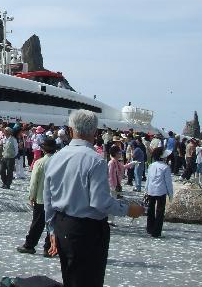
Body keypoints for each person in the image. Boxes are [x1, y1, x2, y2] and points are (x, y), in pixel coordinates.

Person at [44, 110, 144, 287]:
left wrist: (52, 229)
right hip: (87, 230)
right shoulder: (95, 161)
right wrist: (129, 209)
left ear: (70, 129)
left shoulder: (56, 158)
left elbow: (48, 198)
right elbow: (100, 202)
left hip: (62, 225)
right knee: (89, 280)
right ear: (95, 132)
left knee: (70, 278)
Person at [17, 134, 56, 257]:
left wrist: (31, 196)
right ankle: (48, 248)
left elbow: (34, 182)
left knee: (37, 224)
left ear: (43, 149)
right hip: (56, 199)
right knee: (52, 225)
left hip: (41, 198)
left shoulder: (39, 162)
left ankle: (29, 245)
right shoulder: (60, 161)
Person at [145, 147, 174, 238]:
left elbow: (148, 179)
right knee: (160, 212)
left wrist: (146, 190)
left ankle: (150, 229)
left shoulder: (151, 165)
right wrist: (171, 194)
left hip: (151, 190)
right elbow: (168, 183)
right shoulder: (165, 167)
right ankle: (156, 232)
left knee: (150, 210)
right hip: (161, 191)